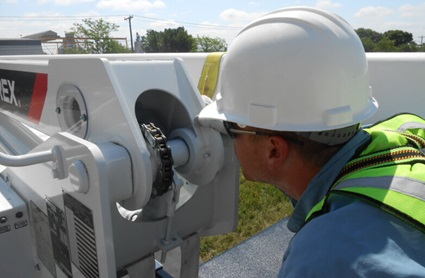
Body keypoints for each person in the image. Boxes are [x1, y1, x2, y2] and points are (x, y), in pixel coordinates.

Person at [198, 6, 425, 277]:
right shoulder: (403, 134)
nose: (230, 139)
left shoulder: (326, 258)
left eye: (231, 127)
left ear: (274, 150)